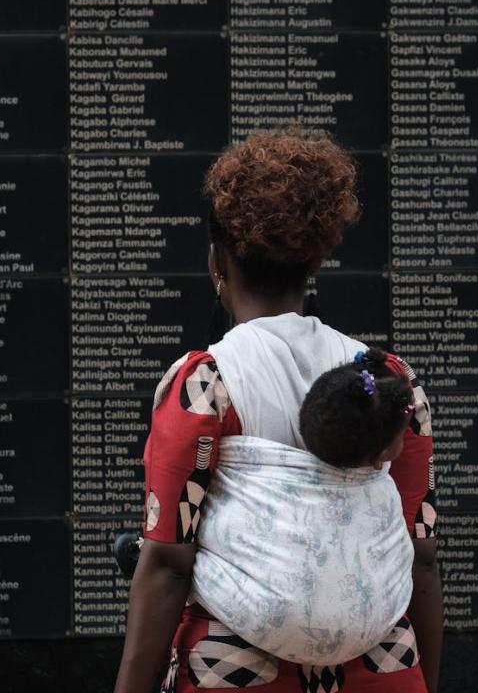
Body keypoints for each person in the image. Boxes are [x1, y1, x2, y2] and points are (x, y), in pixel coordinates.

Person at [113, 131, 441, 693]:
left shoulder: (206, 385)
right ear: (315, 259)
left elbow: (167, 564)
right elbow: (422, 557)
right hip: (383, 669)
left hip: (241, 674)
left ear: (216, 262)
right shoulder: (391, 381)